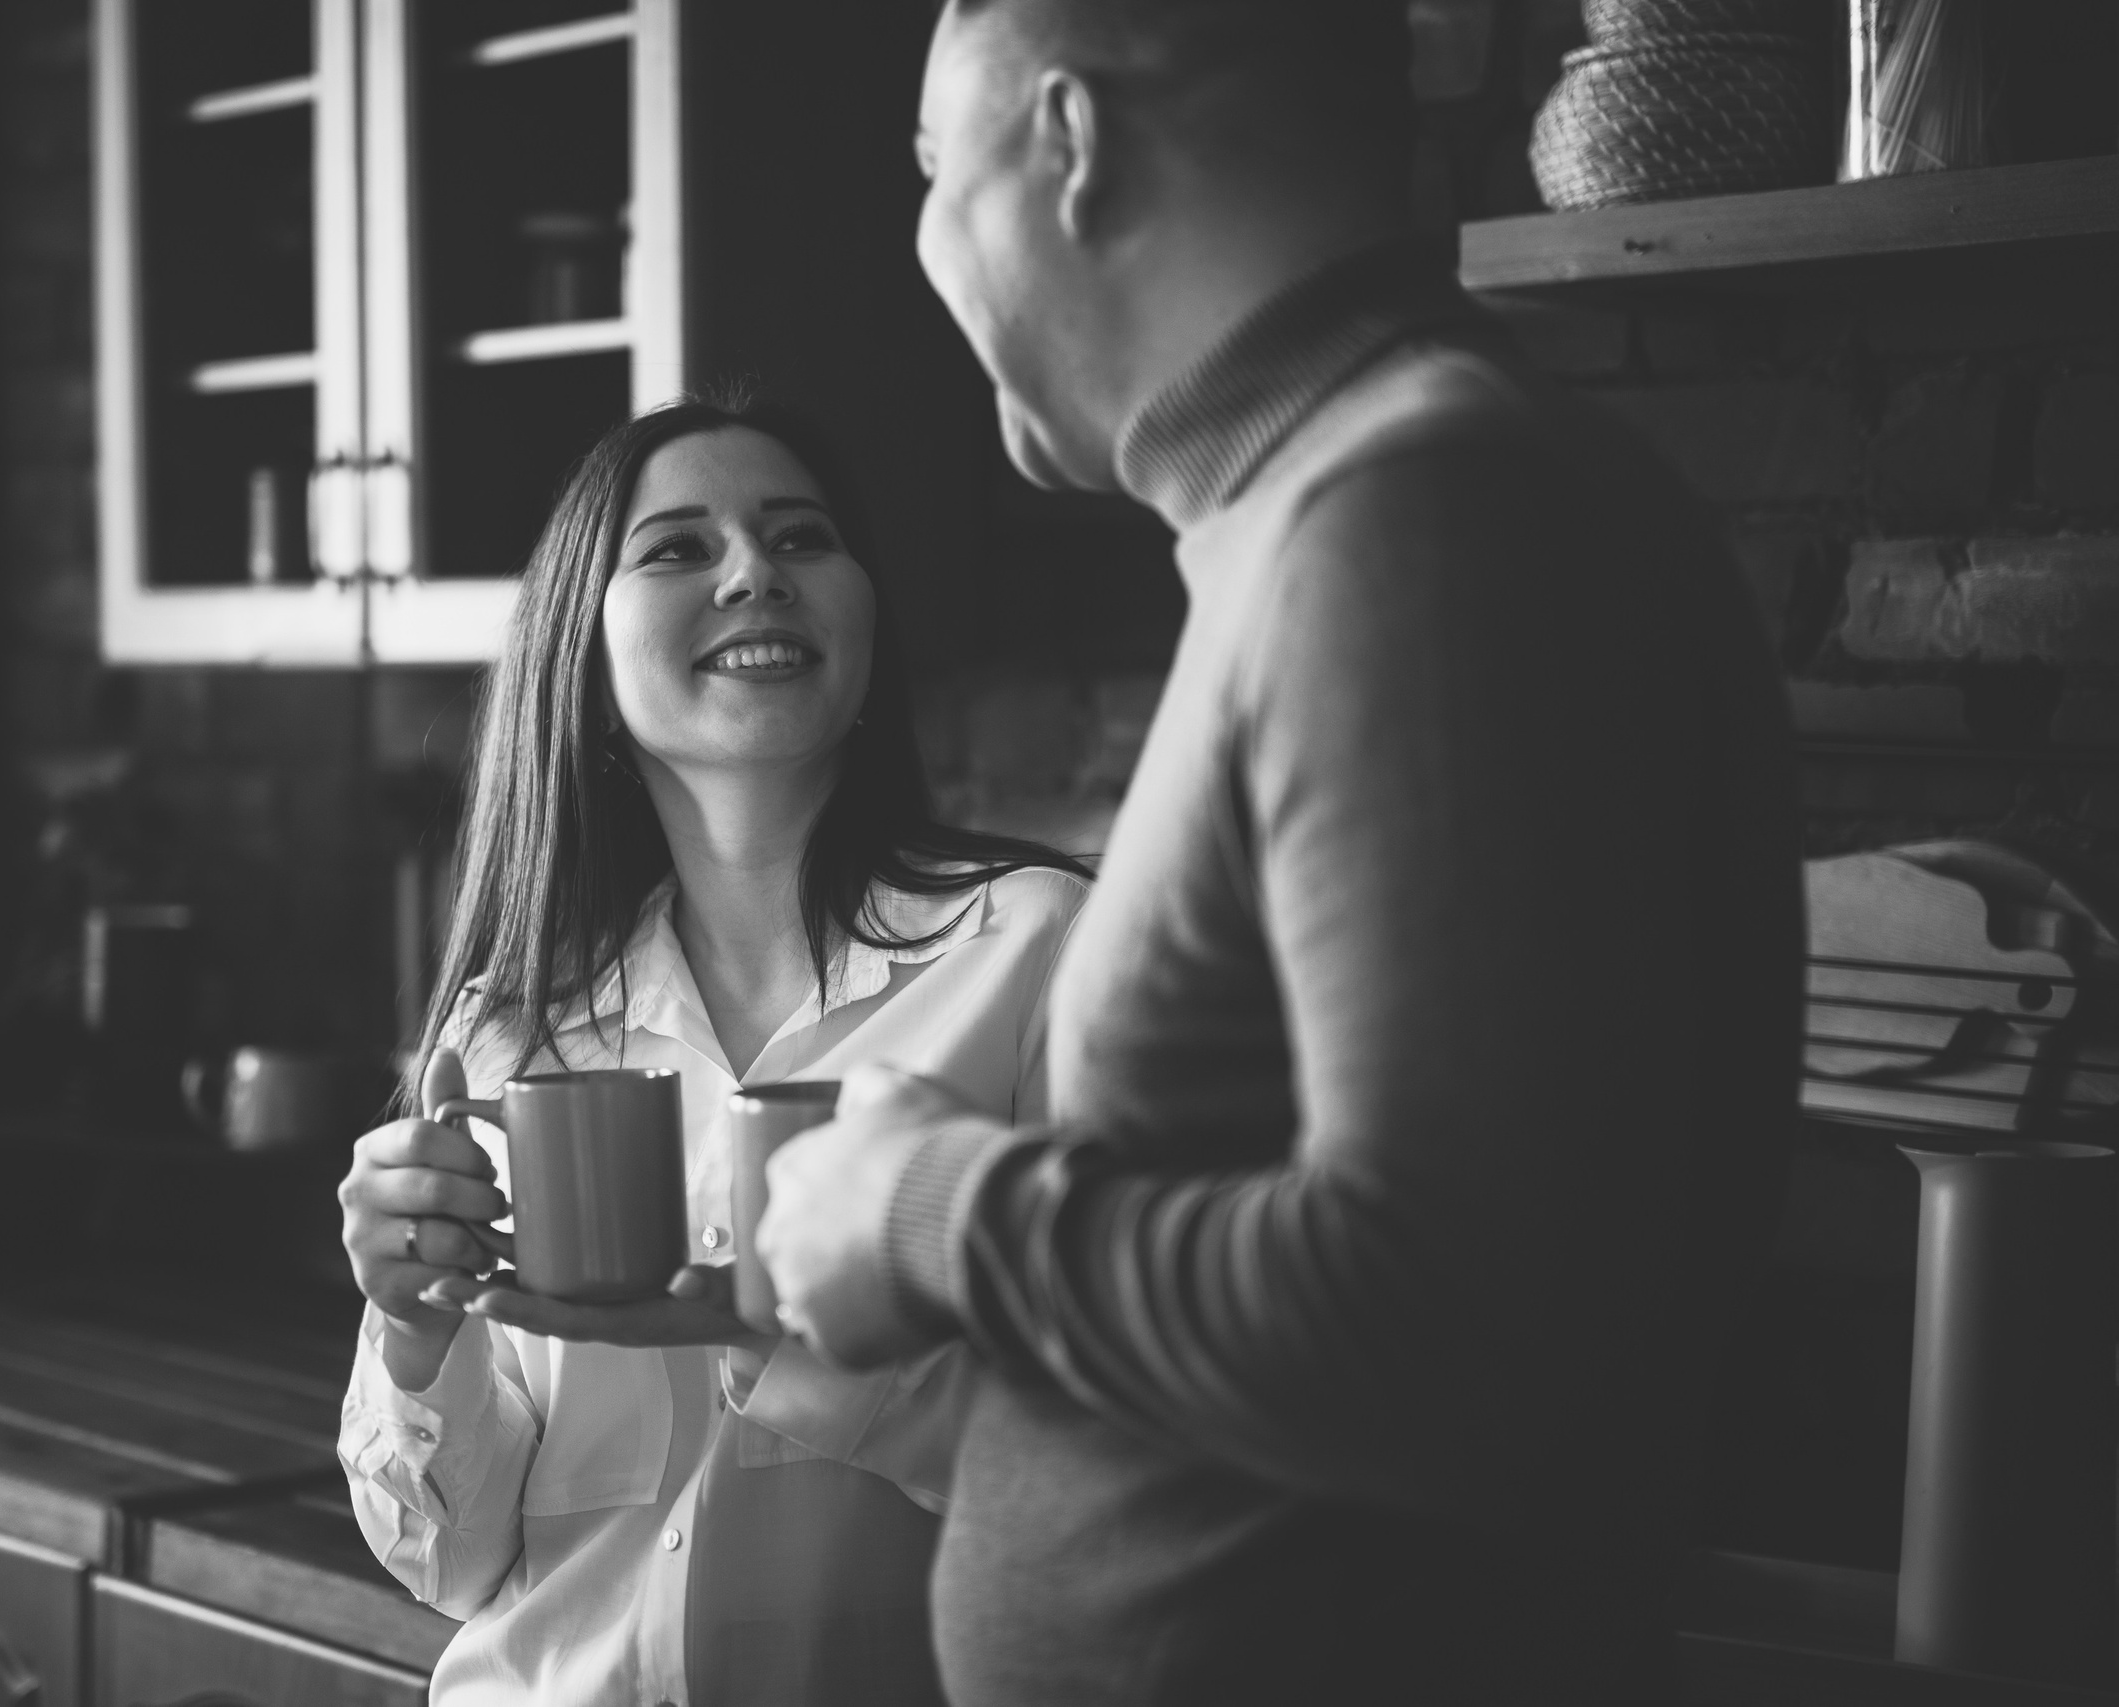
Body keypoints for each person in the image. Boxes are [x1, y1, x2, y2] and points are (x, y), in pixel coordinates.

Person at [757, 3, 1801, 1703]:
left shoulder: (1423, 525)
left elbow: (1457, 1327)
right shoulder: (1323, 514)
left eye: (942, 172)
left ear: (1070, 147)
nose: (928, 244)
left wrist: (925, 1212)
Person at [334, 394, 1091, 1707]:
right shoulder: (512, 1028)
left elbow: (1123, 1462)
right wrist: (411, 1328)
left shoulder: (1034, 951)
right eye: (678, 549)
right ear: (587, 653)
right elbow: (453, 1563)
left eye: (801, 538)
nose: (756, 571)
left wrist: (800, 1356)